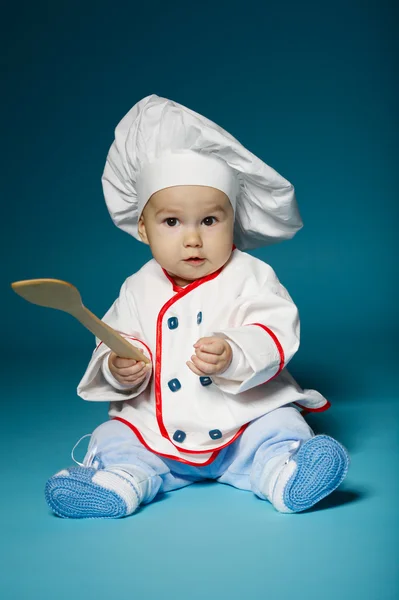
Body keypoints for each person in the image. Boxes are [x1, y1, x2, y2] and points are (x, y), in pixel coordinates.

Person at [45, 94, 349, 519]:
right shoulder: (137, 286)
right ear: (143, 227)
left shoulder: (251, 275)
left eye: (209, 221)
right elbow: (115, 338)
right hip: (157, 429)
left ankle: (283, 471)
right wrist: (118, 366)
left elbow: (275, 328)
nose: (192, 239)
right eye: (172, 222)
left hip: (241, 420)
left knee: (279, 424)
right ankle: (121, 479)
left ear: (233, 220)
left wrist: (234, 351)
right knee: (115, 433)